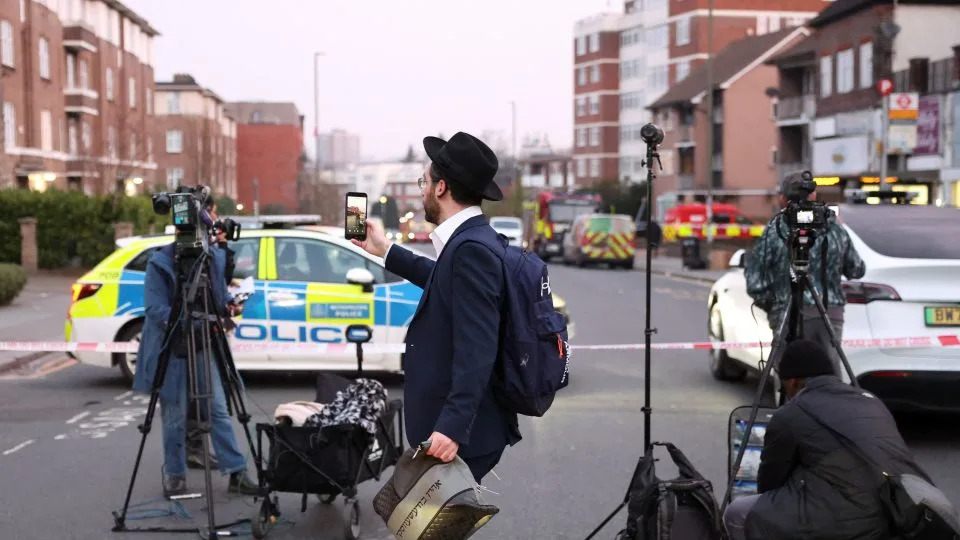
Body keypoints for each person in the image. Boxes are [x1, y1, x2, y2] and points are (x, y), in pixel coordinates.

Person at [351, 131, 520, 483]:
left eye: (424, 182)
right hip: (455, 432)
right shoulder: (470, 240)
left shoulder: (470, 249)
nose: (421, 190)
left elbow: (478, 347)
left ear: (441, 188)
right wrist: (385, 250)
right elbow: (444, 282)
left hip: (455, 439)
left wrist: (451, 428)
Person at [722, 339, 929, 540]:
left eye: (785, 388)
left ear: (793, 382)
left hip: (851, 521)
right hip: (899, 512)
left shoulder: (791, 413)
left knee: (737, 514)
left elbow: (770, 484)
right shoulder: (872, 401)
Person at [133, 190, 259, 499]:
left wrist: (230, 304)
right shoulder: (160, 262)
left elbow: (218, 297)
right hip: (173, 347)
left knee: (216, 409)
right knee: (175, 414)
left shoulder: (211, 259)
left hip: (204, 345)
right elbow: (155, 310)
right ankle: (175, 475)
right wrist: (191, 321)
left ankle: (236, 473)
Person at [745, 172, 866, 376]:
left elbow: (755, 283)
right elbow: (856, 269)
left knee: (790, 376)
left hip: (787, 312)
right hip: (829, 313)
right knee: (828, 375)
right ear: (813, 195)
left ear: (783, 198)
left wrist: (774, 308)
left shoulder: (776, 229)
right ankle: (828, 406)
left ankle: (790, 406)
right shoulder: (833, 227)